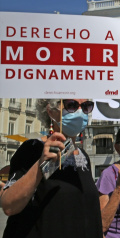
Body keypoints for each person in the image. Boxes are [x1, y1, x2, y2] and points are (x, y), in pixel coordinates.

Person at [1, 99, 103, 238]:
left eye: (86, 106)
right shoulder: (32, 149)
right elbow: (9, 206)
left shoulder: (83, 156)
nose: (80, 112)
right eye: (71, 105)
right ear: (51, 111)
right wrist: (40, 165)